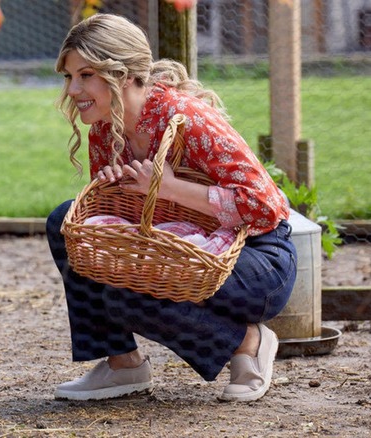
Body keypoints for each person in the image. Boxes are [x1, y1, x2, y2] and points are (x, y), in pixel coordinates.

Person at [46, 13, 297, 403]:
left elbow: (265, 209)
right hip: (182, 253)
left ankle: (248, 341)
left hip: (255, 262)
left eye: (86, 75)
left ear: (124, 75)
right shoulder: (105, 129)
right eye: (69, 76)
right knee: (68, 223)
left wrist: (170, 187)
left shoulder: (188, 118)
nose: (73, 89)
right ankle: (123, 365)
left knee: (131, 295)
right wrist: (116, 194)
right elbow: (141, 228)